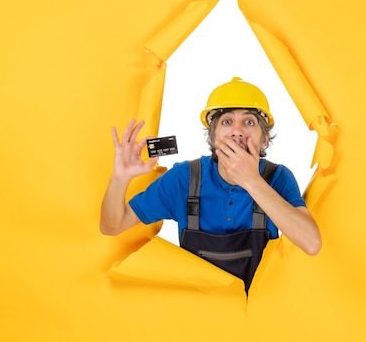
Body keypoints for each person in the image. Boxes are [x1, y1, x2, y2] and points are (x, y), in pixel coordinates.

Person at [100, 77, 321, 292]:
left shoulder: (278, 177)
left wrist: (251, 180)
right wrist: (119, 179)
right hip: (200, 316)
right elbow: (112, 226)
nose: (237, 130)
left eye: (249, 122)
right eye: (226, 121)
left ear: (264, 139)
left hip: (258, 317)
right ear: (212, 138)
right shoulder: (184, 178)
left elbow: (311, 243)